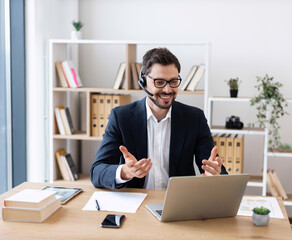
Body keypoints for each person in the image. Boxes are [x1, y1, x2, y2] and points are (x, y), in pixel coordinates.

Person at [90, 47, 227, 190]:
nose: (168, 90)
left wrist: (216, 175)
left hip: (178, 202)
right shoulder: (121, 117)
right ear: (143, 81)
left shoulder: (195, 118)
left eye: (173, 82)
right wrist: (125, 172)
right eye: (159, 82)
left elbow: (214, 168)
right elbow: (97, 172)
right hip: (136, 202)